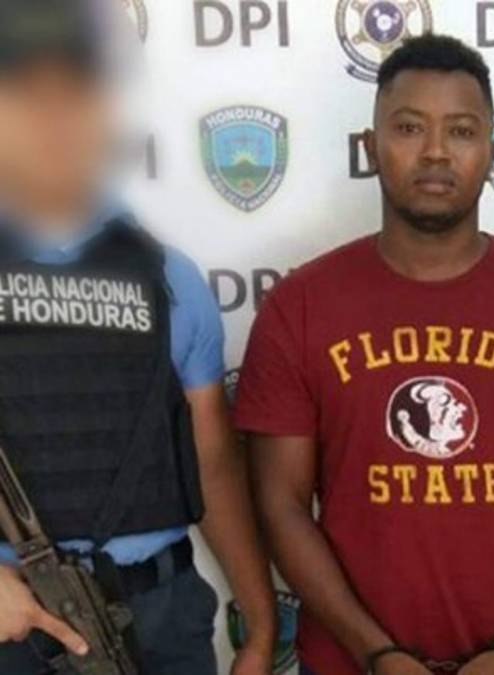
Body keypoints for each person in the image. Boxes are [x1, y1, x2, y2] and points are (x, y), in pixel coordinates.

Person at [235, 33, 494, 675]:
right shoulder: (299, 307)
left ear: (493, 152)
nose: (436, 151)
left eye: (462, 131)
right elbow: (281, 504)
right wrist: (376, 653)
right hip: (349, 662)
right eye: (410, 127)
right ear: (371, 147)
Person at [0, 1, 277, 674]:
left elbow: (212, 461)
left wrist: (261, 619)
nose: (54, 120)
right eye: (27, 95)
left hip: (161, 617)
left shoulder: (170, 278)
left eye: (75, 95)